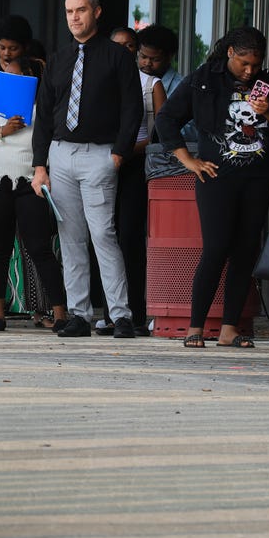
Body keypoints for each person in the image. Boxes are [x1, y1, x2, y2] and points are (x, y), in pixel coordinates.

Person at [155, 26, 269, 349]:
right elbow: (166, 118)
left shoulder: (267, 85)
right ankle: (195, 326)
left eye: (256, 64)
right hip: (216, 179)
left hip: (257, 180)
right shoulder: (205, 79)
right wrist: (188, 160)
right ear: (230, 53)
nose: (250, 71)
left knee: (245, 253)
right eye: (244, 63)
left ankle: (229, 328)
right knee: (215, 249)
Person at [30, 0, 143, 338]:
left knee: (103, 235)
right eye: (68, 12)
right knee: (71, 238)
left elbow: (132, 109)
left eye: (81, 10)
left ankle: (120, 315)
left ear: (96, 12)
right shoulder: (59, 59)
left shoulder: (117, 57)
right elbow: (45, 116)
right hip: (61, 154)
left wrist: (119, 153)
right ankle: (79, 315)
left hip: (100, 154)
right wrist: (39, 165)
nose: (74, 17)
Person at [0, 56, 67, 332]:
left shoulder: (44, 110)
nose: (7, 81)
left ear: (31, 80)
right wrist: (3, 129)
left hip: (30, 184)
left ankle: (60, 313)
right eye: (4, 76)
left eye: (15, 77)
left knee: (40, 248)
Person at [95, 26, 167, 337]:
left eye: (129, 47)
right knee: (102, 236)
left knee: (129, 240)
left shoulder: (151, 84)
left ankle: (135, 313)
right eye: (118, 46)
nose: (124, 52)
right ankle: (110, 312)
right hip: (100, 165)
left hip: (134, 165)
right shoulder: (97, 81)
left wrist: (125, 152)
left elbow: (160, 133)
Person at [136, 24, 183, 98]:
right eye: (143, 57)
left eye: (155, 59)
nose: (147, 63)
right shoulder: (131, 80)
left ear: (169, 57)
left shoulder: (180, 88)